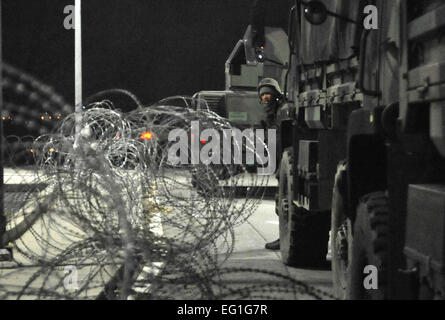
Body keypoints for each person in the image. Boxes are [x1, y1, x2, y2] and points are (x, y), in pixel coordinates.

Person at [257, 78, 283, 250]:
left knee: (282, 202)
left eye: (269, 95)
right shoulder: (269, 118)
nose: (266, 98)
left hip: (285, 164)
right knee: (280, 202)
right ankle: (284, 237)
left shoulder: (282, 114)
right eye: (263, 96)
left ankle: (285, 237)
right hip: (279, 165)